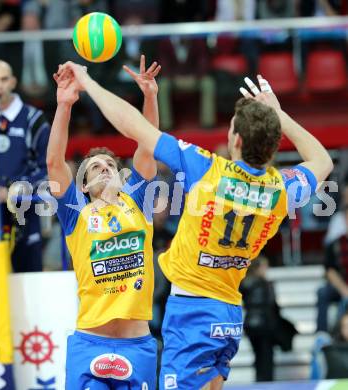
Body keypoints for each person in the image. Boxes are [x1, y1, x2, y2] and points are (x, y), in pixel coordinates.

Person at [55, 62, 333, 389]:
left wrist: (88, 81)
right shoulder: (279, 189)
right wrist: (279, 115)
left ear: (237, 140)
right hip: (229, 311)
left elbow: (133, 126)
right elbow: (323, 161)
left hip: (193, 312)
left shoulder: (208, 169)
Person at [47, 56, 161, 389]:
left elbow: (148, 144)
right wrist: (65, 105)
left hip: (136, 345)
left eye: (110, 164)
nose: (105, 169)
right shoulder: (76, 213)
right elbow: (54, 163)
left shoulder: (137, 202)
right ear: (83, 184)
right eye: (96, 167)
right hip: (89, 343)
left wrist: (150, 96)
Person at [0, 59, 50, 272]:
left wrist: (12, 190)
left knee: (28, 278)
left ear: (13, 82)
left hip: (25, 214)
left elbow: (47, 170)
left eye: (3, 79)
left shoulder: (33, 119)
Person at [241, 256, 297, 381]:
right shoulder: (266, 284)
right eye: (265, 266)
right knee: (266, 357)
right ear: (259, 267)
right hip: (265, 324)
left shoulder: (244, 282)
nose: (267, 269)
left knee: (258, 355)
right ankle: (265, 382)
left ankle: (260, 380)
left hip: (250, 324)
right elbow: (273, 307)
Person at [316, 177, 348, 332]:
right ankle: (322, 334)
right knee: (323, 292)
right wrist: (344, 290)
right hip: (341, 284)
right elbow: (329, 269)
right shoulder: (335, 243)